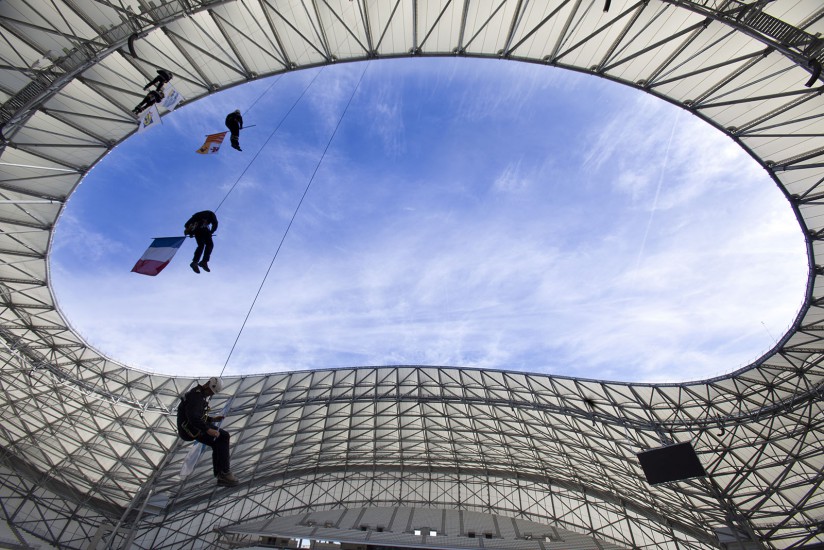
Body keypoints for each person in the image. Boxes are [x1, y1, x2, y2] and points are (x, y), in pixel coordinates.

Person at [177, 377, 239, 487]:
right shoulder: (196, 396)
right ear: (207, 385)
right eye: (210, 391)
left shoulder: (199, 395)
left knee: (218, 442)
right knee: (223, 437)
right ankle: (224, 473)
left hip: (192, 427)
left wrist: (212, 419)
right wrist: (208, 429)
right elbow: (193, 417)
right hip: (191, 428)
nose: (210, 394)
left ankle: (221, 474)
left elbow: (198, 415)